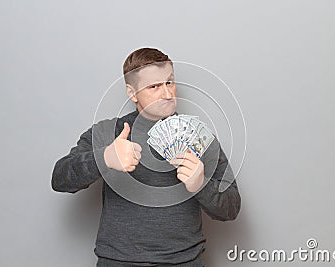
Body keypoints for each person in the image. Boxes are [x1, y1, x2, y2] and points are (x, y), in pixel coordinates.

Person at [51, 47, 241, 267]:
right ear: (132, 93)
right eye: (154, 87)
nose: (168, 93)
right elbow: (59, 179)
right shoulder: (108, 132)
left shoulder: (199, 137)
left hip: (185, 262)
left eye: (170, 82)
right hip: (118, 262)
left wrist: (202, 185)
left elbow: (232, 208)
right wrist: (103, 158)